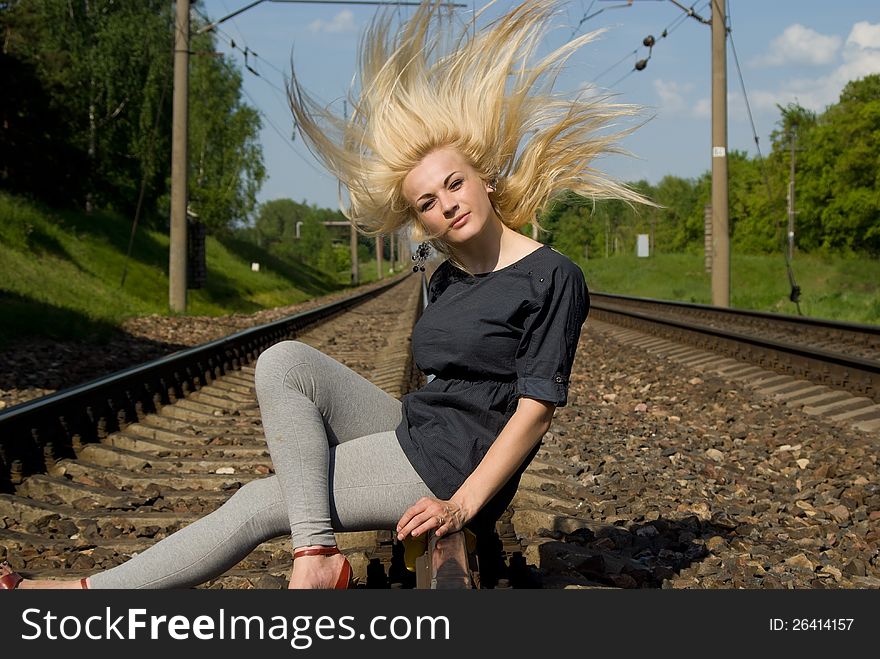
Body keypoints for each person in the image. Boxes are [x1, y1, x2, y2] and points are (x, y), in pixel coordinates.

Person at [0, 0, 646, 591]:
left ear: (485, 177)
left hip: (456, 459)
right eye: (426, 201)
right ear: (417, 219)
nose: (446, 204)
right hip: (419, 426)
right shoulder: (442, 272)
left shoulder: (552, 274)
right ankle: (316, 547)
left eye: (453, 183)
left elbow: (535, 410)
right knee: (284, 360)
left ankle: (65, 598)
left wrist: (463, 504)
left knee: (257, 502)